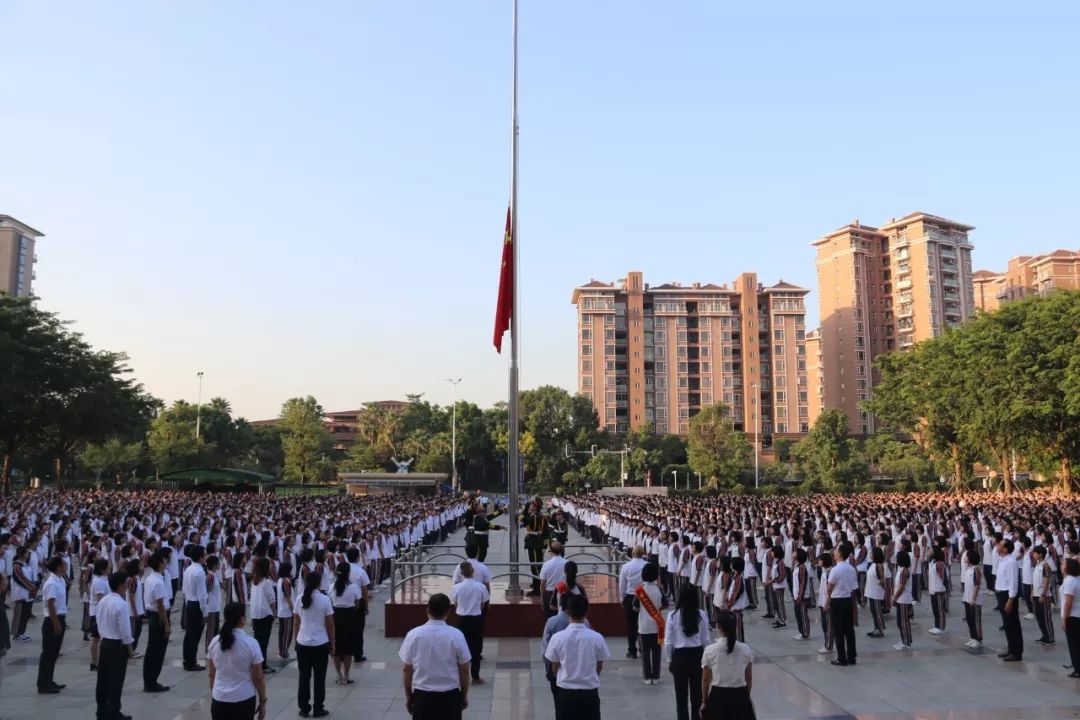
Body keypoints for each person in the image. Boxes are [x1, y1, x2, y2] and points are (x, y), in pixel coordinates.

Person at [400, 593, 471, 720]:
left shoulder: (413, 635)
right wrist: (463, 696)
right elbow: (464, 670)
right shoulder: (456, 635)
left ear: (427, 610)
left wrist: (409, 697)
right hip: (450, 696)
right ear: (448, 612)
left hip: (422, 696)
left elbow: (406, 669)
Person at [544, 593, 609, 720]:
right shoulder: (597, 637)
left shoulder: (558, 638)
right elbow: (599, 667)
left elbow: (554, 668)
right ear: (587, 611)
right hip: (589, 693)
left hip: (566, 693)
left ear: (567, 612)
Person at [207, 602, 268, 720]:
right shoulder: (251, 644)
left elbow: (211, 674)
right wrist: (262, 701)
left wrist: (216, 695)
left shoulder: (214, 642)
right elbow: (258, 678)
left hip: (219, 700)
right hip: (243, 700)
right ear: (242, 619)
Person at [699, 610, 756, 720]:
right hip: (740, 695)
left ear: (718, 626)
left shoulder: (710, 650)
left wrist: (704, 701)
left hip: (718, 697)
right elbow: (748, 678)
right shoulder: (745, 649)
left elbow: (705, 679)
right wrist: (745, 697)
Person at [664, 586, 710, 720]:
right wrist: (707, 662)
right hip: (697, 656)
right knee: (697, 697)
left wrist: (670, 660)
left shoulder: (673, 615)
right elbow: (706, 640)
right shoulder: (701, 614)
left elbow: (668, 642)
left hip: (679, 657)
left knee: (681, 697)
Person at [293, 570, 335, 718]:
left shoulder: (299, 599)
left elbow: (296, 622)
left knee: (304, 676)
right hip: (320, 642)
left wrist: (295, 640)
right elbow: (330, 625)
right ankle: (318, 707)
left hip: (303, 641)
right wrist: (332, 643)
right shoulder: (325, 600)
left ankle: (304, 708)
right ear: (319, 583)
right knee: (319, 677)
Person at [96, 571, 134, 720]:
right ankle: (113, 712)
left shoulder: (103, 601)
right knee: (115, 681)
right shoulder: (121, 604)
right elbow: (125, 630)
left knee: (103, 680)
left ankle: (102, 711)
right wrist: (129, 647)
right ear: (120, 586)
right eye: (125, 584)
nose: (127, 587)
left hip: (105, 642)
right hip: (117, 646)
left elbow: (98, 621)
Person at [450, 561, 490, 685]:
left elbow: (455, 603)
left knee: (460, 648)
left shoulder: (456, 587)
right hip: (476, 619)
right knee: (476, 649)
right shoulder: (481, 587)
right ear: (473, 571)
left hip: (461, 619)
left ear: (461, 573)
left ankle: (459, 675)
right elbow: (483, 603)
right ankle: (475, 676)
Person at [36, 555, 67, 694]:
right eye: (64, 564)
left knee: (54, 653)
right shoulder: (51, 583)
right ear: (59, 567)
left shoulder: (60, 580)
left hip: (60, 617)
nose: (66, 566)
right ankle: (43, 684)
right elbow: (50, 604)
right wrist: (56, 623)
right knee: (48, 654)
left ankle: (49, 680)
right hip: (52, 620)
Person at [142, 550, 171, 693]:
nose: (166, 563)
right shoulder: (158, 581)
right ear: (160, 564)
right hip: (158, 616)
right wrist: (166, 623)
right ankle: (152, 682)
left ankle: (149, 680)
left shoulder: (150, 578)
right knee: (157, 651)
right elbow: (160, 604)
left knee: (151, 650)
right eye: (164, 561)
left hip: (152, 615)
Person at [826, 542, 858, 666]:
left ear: (839, 554)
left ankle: (841, 658)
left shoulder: (835, 570)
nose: (834, 553)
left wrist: (828, 598)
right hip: (848, 600)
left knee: (838, 630)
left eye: (836, 551)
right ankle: (851, 656)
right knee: (849, 630)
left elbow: (829, 588)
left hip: (837, 601)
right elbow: (854, 587)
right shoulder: (851, 569)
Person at [329, 562, 361, 685]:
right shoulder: (353, 587)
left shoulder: (332, 586)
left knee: (336, 648)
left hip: (335, 616)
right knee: (348, 649)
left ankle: (338, 675)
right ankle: (347, 675)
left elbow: (330, 601)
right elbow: (357, 604)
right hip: (349, 617)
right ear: (348, 573)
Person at [635, 562, 665, 685]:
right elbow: (665, 604)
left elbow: (635, 607)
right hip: (657, 625)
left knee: (645, 653)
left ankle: (647, 677)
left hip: (643, 626)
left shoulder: (640, 590)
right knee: (657, 653)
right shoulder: (659, 589)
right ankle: (656, 677)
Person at [995, 539, 1023, 661]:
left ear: (1005, 549)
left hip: (1008, 595)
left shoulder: (1011, 562)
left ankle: (1016, 652)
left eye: (1000, 545)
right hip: (1001, 593)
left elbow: (1013, 582)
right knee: (1007, 624)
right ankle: (1011, 647)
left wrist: (1011, 599)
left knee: (1012, 624)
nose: (997, 546)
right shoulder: (1002, 560)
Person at [182, 545, 209, 671]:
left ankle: (187, 659)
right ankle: (191, 662)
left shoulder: (188, 569)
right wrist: (205, 612)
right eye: (204, 555)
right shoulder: (200, 572)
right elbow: (202, 595)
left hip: (190, 602)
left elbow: (184, 590)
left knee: (189, 634)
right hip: (197, 604)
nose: (206, 557)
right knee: (195, 635)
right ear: (200, 557)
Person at [248, 557, 276, 675]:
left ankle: (256, 663)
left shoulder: (254, 580)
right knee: (263, 641)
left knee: (258, 639)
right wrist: (274, 613)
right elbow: (271, 600)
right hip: (265, 614)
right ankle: (262, 664)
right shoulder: (266, 582)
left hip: (256, 614)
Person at [619, 546, 648, 660]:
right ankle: (643, 648)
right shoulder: (647, 565)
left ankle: (632, 650)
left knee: (631, 625)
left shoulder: (626, 566)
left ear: (632, 553)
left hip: (630, 596)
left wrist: (622, 598)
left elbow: (622, 584)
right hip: (645, 596)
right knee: (643, 624)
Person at [1061, 558, 1080, 678]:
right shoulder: (1075, 580)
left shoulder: (1070, 581)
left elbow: (1068, 602)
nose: (1061, 565)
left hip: (1073, 616)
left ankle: (1077, 668)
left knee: (1074, 645)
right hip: (1077, 615)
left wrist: (1064, 618)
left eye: (1063, 564)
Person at [539, 542, 568, 621]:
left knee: (550, 620)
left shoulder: (546, 564)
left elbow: (542, 584)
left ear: (551, 551)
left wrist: (542, 598)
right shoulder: (567, 563)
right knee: (564, 619)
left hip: (549, 594)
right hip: (563, 593)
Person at [892, 550, 914, 651]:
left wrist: (894, 598)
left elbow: (901, 587)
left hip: (904, 599)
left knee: (904, 622)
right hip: (901, 599)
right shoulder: (900, 569)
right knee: (899, 622)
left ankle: (907, 642)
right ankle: (903, 640)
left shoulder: (904, 570)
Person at [276, 561, 295, 661]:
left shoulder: (280, 580)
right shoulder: (285, 581)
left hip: (282, 610)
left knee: (283, 632)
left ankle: (283, 651)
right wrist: (293, 609)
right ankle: (284, 652)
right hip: (286, 611)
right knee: (286, 633)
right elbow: (287, 596)